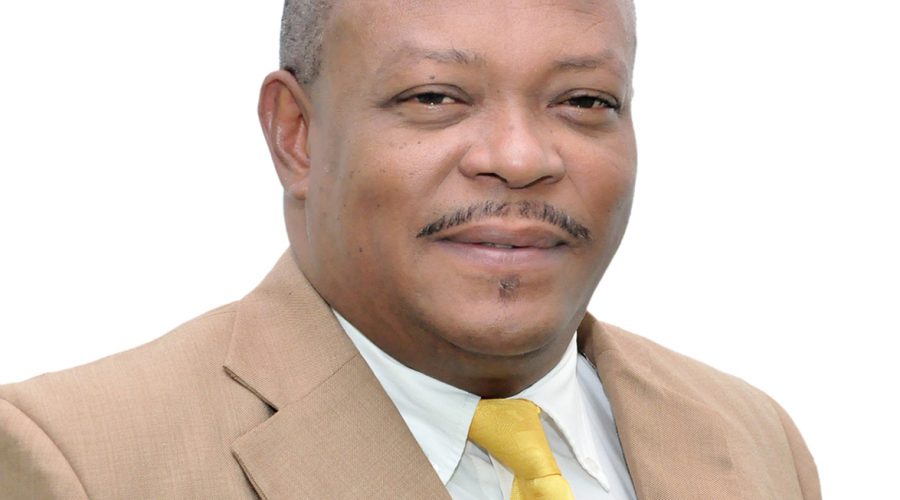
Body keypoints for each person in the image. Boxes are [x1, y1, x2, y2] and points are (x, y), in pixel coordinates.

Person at [0, 0, 820, 498]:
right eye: (435, 97)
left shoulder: (753, 441)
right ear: (297, 136)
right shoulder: (78, 465)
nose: (521, 156)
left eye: (583, 100)